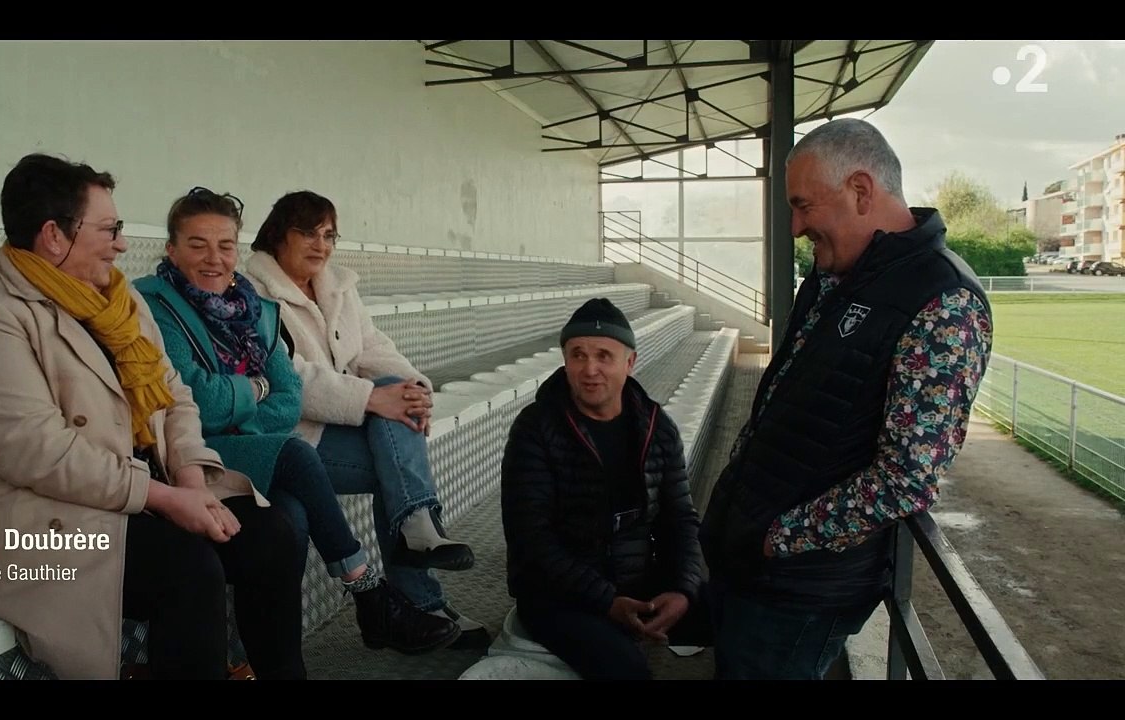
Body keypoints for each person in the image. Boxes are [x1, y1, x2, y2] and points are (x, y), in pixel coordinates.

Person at [0, 153, 301, 680]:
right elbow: (39, 453)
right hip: (7, 529)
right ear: (55, 236)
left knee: (271, 537)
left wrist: (190, 476)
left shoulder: (120, 302)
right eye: (109, 228)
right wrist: (164, 498)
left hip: (119, 497)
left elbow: (174, 398)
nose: (121, 242)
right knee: (185, 568)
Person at [698, 118, 994, 680]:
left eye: (804, 206)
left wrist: (777, 537)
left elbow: (907, 478)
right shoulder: (840, 273)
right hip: (755, 569)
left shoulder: (944, 302)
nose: (796, 227)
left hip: (799, 589)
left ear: (861, 191)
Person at [133, 187, 461, 662]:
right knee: (296, 453)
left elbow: (286, 401)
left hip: (256, 448)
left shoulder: (252, 308)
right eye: (196, 244)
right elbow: (197, 399)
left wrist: (410, 390)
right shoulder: (154, 304)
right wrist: (258, 392)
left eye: (225, 246)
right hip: (196, 449)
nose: (213, 258)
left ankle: (288, 660)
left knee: (291, 520)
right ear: (171, 248)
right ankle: (370, 593)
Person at [243, 190, 487, 647]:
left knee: (394, 388)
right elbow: (286, 379)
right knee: (393, 451)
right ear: (278, 234)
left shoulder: (337, 286)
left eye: (329, 235)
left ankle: (418, 552)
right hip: (292, 439)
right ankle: (420, 584)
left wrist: (413, 390)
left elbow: (374, 348)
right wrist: (373, 400)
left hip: (341, 424)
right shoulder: (252, 295)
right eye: (308, 233)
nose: (321, 245)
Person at [499, 298, 707, 680]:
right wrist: (607, 601)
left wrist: (683, 590)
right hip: (558, 595)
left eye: (603, 356)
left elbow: (680, 519)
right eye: (577, 355)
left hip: (638, 579)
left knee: (742, 615)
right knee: (625, 668)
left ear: (630, 363)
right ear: (565, 362)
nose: (589, 369)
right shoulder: (536, 428)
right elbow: (532, 539)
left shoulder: (657, 428)